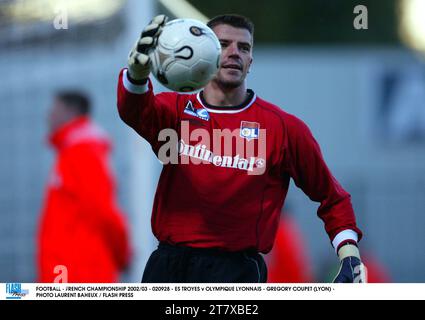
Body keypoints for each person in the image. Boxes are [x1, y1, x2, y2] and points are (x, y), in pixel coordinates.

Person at [117, 14, 365, 283]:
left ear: (251, 62)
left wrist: (350, 257)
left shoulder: (282, 128)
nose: (234, 53)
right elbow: (133, 110)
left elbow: (332, 198)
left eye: (244, 48)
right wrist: (137, 74)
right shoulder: (175, 111)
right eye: (224, 44)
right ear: (205, 52)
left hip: (235, 271)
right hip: (168, 265)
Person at [38, 91, 131, 282]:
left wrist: (122, 254)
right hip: (71, 269)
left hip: (78, 272)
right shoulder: (75, 150)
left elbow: (104, 211)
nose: (48, 115)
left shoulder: (83, 152)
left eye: (54, 110)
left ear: (70, 111)